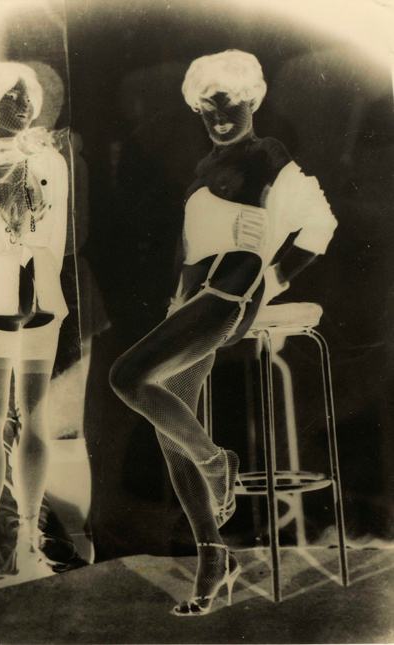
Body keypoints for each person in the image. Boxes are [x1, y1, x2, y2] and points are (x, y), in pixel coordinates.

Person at [110, 49, 337, 616]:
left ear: (251, 99)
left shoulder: (267, 154)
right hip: (192, 301)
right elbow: (191, 249)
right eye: (206, 104)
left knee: (127, 377)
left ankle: (216, 464)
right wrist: (175, 305)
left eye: (228, 100)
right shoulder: (203, 167)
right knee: (169, 427)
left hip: (231, 290)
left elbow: (321, 223)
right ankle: (214, 557)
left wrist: (272, 279)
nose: (218, 114)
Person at [0, 61, 69, 579]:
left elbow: (56, 233)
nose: (24, 106)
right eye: (12, 96)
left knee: (34, 411)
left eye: (27, 96)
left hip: (39, 292)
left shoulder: (48, 157)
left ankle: (30, 537)